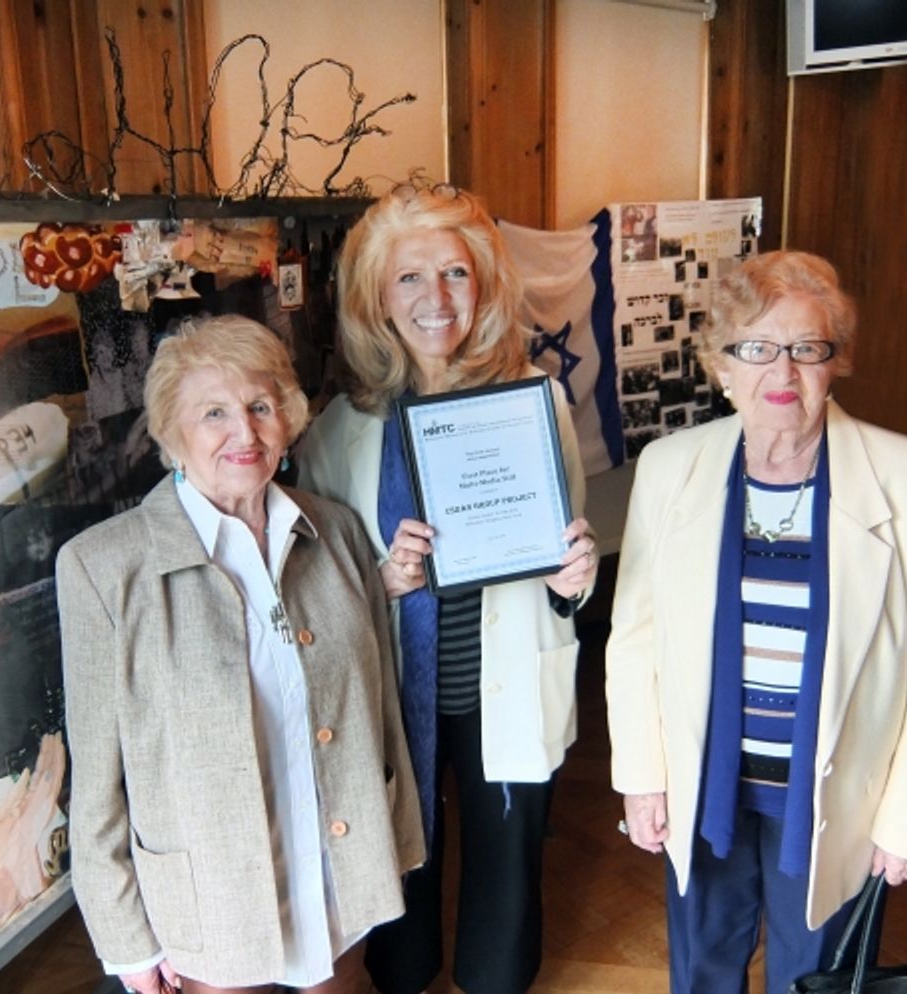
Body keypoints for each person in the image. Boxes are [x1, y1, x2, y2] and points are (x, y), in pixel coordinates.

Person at [606, 250, 907, 994]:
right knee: (702, 966)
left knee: (818, 975)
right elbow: (634, 638)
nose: (783, 373)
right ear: (721, 364)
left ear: (838, 362)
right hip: (706, 784)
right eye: (757, 349)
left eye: (806, 349)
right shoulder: (670, 468)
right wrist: (642, 776)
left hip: (834, 795)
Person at [56, 314, 424, 994]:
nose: (244, 433)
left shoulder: (334, 530)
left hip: (334, 881)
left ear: (287, 415)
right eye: (214, 413)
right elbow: (97, 779)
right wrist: (125, 941)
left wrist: (391, 847)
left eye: (260, 406)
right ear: (172, 432)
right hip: (209, 911)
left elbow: (381, 714)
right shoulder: (102, 569)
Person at [297, 185, 598, 994]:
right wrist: (381, 580)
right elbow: (316, 597)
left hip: (504, 683)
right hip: (397, 692)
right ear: (374, 300)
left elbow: (566, 548)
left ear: (486, 285)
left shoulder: (539, 403)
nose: (436, 300)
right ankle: (403, 969)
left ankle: (496, 975)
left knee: (507, 871)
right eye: (410, 279)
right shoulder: (337, 432)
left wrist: (574, 577)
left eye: (456, 274)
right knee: (399, 853)